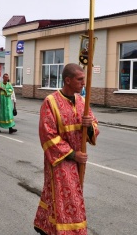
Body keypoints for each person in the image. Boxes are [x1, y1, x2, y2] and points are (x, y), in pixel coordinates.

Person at [34, 63, 100, 235]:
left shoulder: (82, 101)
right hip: (60, 160)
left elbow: (94, 124)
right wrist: (72, 154)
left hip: (78, 161)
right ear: (68, 80)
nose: (83, 83)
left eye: (84, 79)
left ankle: (46, 227)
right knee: (69, 200)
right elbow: (47, 134)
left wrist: (90, 126)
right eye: (80, 79)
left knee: (61, 198)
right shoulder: (51, 102)